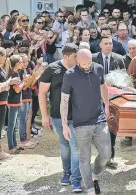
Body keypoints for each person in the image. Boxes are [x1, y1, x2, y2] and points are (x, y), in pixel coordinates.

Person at [61, 49, 111, 195]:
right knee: (84, 157)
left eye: (89, 63)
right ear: (77, 61)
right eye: (83, 64)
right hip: (81, 123)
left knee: (107, 154)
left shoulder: (99, 68)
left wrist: (107, 105)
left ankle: (95, 172)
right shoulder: (70, 75)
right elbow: (64, 101)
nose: (87, 66)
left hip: (99, 119)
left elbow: (103, 87)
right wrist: (64, 125)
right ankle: (90, 188)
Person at [39, 43, 82, 192]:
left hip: (77, 116)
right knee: (64, 145)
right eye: (74, 56)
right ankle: (67, 172)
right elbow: (42, 92)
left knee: (75, 147)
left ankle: (76, 179)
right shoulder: (52, 69)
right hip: (57, 116)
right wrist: (45, 115)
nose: (78, 59)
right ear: (65, 56)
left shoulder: (80, 68)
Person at [92, 35, 125, 168]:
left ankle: (110, 157)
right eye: (105, 43)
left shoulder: (119, 58)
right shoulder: (93, 58)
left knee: (112, 126)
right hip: (95, 98)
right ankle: (101, 153)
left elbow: (124, 78)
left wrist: (114, 84)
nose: (108, 45)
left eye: (110, 43)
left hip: (113, 99)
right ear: (100, 45)